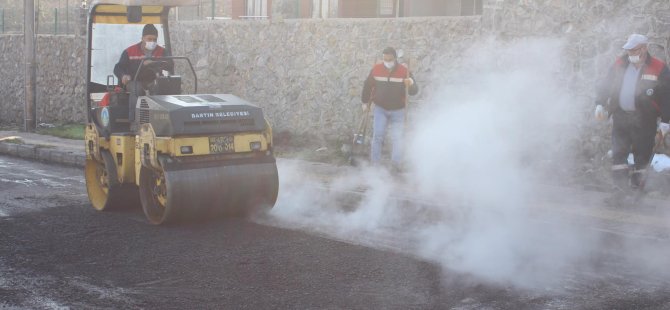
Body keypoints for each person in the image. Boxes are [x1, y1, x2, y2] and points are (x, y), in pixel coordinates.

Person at [595, 33, 670, 195]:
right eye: (628, 50)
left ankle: (637, 190)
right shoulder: (620, 64)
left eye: (634, 50)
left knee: (642, 154)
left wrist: (666, 120)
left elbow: (667, 96)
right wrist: (600, 103)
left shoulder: (659, 67)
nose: (630, 54)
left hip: (645, 119)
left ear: (644, 48)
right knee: (618, 153)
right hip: (621, 116)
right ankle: (619, 189)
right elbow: (606, 84)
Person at [361, 47, 418, 170]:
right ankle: (375, 164)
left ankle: (395, 165)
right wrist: (365, 102)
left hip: (398, 110)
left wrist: (411, 83)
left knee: (397, 138)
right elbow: (367, 85)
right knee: (378, 136)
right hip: (380, 109)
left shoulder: (404, 71)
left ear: (395, 59)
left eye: (390, 59)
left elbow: (414, 91)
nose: (387, 62)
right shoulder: (376, 69)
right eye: (385, 59)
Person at [113, 24, 173, 122]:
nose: (152, 42)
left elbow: (170, 64)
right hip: (134, 80)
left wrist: (157, 63)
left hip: (152, 79)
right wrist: (123, 76)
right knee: (137, 89)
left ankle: (160, 121)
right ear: (142, 38)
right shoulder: (129, 51)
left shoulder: (161, 51)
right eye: (149, 39)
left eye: (154, 39)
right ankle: (135, 122)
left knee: (161, 87)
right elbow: (118, 68)